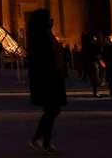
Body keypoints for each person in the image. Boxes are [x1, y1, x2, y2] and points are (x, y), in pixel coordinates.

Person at [26, 9, 65, 154]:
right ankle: (43, 142)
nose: (51, 20)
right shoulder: (40, 37)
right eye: (49, 18)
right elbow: (44, 58)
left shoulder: (43, 35)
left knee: (52, 110)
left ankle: (39, 140)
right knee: (52, 110)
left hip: (51, 77)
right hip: (47, 78)